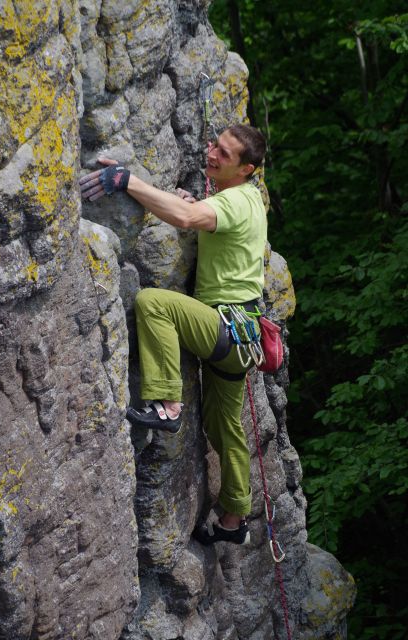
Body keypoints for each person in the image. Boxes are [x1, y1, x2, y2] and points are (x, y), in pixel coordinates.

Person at [80, 124, 267, 545]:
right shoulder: (245, 197)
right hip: (241, 337)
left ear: (246, 169)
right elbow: (199, 215)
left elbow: (183, 218)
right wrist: (196, 205)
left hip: (226, 328)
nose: (212, 153)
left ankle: (167, 404)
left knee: (153, 303)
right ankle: (234, 521)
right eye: (214, 145)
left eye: (224, 153)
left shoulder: (235, 200)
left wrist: (127, 180)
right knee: (224, 428)